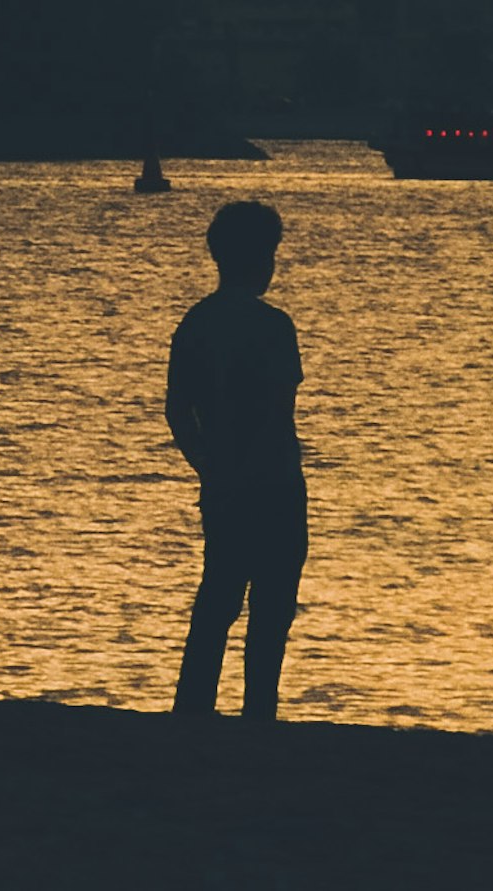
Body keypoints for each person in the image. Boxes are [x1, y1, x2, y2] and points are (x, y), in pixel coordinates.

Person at [167, 197, 305, 727]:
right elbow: (277, 409)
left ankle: (193, 709)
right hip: (273, 482)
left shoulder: (196, 322)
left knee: (218, 596)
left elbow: (177, 410)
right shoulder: (274, 326)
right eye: (270, 252)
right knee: (271, 608)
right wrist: (251, 466)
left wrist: (207, 465)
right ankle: (258, 715)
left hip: (223, 480)